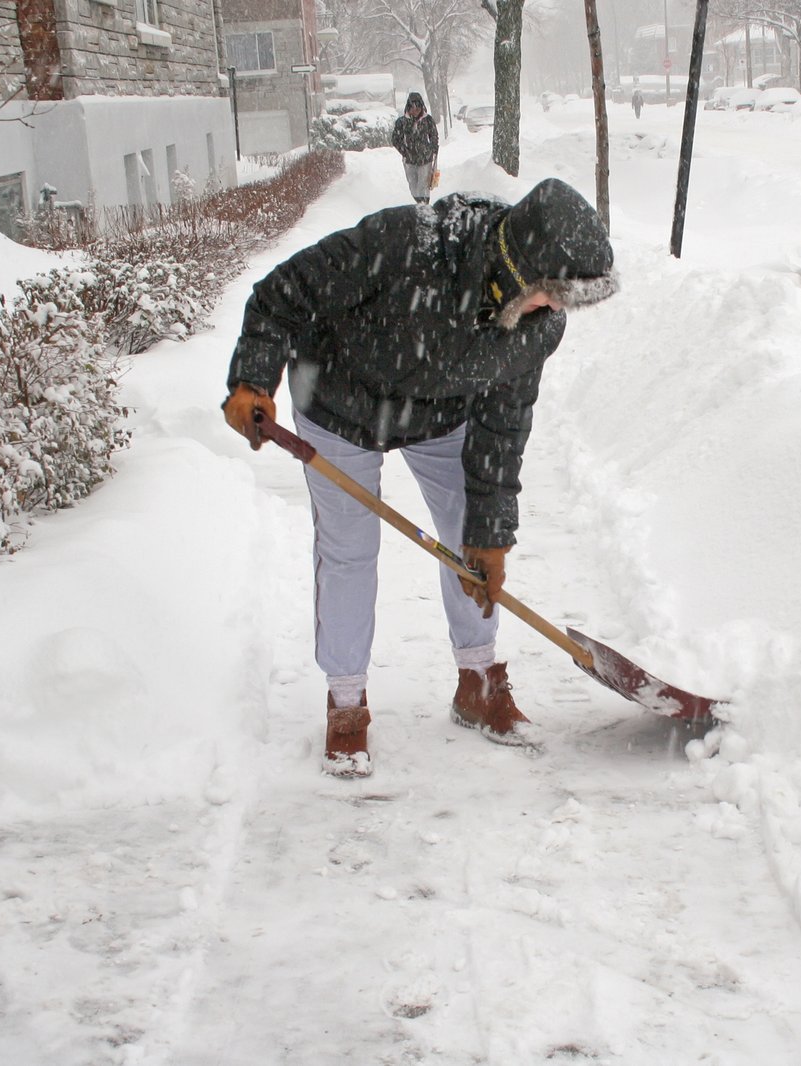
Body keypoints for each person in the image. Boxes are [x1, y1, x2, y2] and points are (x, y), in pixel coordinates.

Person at [221, 179, 618, 776]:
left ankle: (478, 679)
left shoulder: (537, 326)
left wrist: (491, 533)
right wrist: (253, 379)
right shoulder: (408, 245)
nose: (557, 310)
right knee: (349, 550)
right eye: (552, 294)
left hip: (439, 413)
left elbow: (503, 425)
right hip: (339, 402)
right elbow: (283, 292)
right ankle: (347, 700)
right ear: (518, 268)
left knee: (469, 541)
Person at [392, 92, 439, 203]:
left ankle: (424, 205)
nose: (415, 110)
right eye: (413, 108)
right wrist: (404, 151)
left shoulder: (428, 120)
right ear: (408, 108)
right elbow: (395, 139)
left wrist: (432, 149)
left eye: (418, 108)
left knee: (423, 185)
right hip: (409, 159)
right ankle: (419, 202)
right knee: (412, 185)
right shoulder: (402, 122)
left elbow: (434, 135)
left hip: (425, 158)